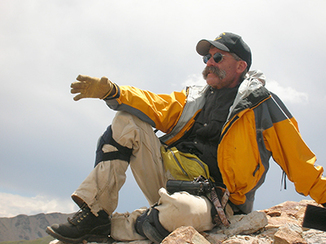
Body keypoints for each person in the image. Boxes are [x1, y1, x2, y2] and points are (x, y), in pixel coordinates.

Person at [46, 32, 326, 243]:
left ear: (241, 66)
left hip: (218, 199)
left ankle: (126, 224)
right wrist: (113, 91)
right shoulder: (195, 97)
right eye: (207, 58)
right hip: (169, 176)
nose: (209, 63)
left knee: (180, 213)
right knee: (127, 121)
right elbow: (154, 104)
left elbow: (299, 159)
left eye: (218, 57)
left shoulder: (262, 104)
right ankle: (96, 213)